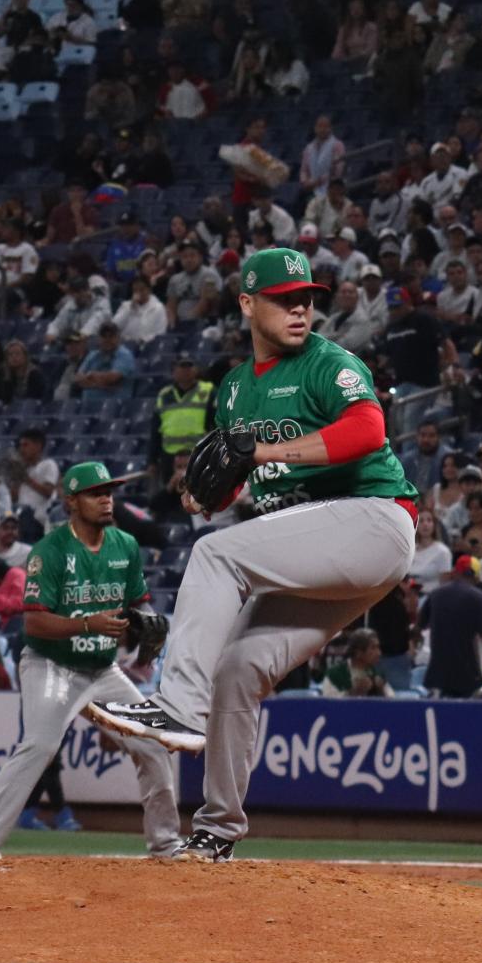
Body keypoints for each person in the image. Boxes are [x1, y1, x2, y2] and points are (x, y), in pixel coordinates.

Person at [86, 247, 419, 864]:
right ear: (247, 304)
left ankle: (177, 707)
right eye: (283, 298)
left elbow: (368, 431)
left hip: (374, 520)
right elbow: (239, 484)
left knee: (214, 557)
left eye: (307, 298)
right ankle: (218, 833)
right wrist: (206, 493)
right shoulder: (235, 390)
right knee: (238, 666)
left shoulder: (329, 361)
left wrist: (267, 454)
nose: (300, 308)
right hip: (316, 543)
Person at [0, 461, 182, 863]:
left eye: (109, 492)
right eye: (95, 493)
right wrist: (86, 624)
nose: (105, 499)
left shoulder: (125, 545)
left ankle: (166, 845)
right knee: (40, 745)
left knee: (153, 743)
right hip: (51, 665)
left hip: (102, 670)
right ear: (71, 502)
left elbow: (138, 603)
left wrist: (147, 624)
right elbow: (34, 622)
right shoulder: (50, 551)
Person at [420, 553, 482, 696]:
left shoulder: (436, 594)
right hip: (469, 674)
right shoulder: (479, 597)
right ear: (476, 576)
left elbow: (421, 626)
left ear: (455, 572)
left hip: (438, 672)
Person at [320, 628, 391, 697]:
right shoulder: (335, 674)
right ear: (358, 653)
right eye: (373, 648)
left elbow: (391, 699)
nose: (379, 653)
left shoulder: (375, 673)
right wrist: (353, 692)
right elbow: (329, 704)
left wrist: (382, 690)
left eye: (378, 647)